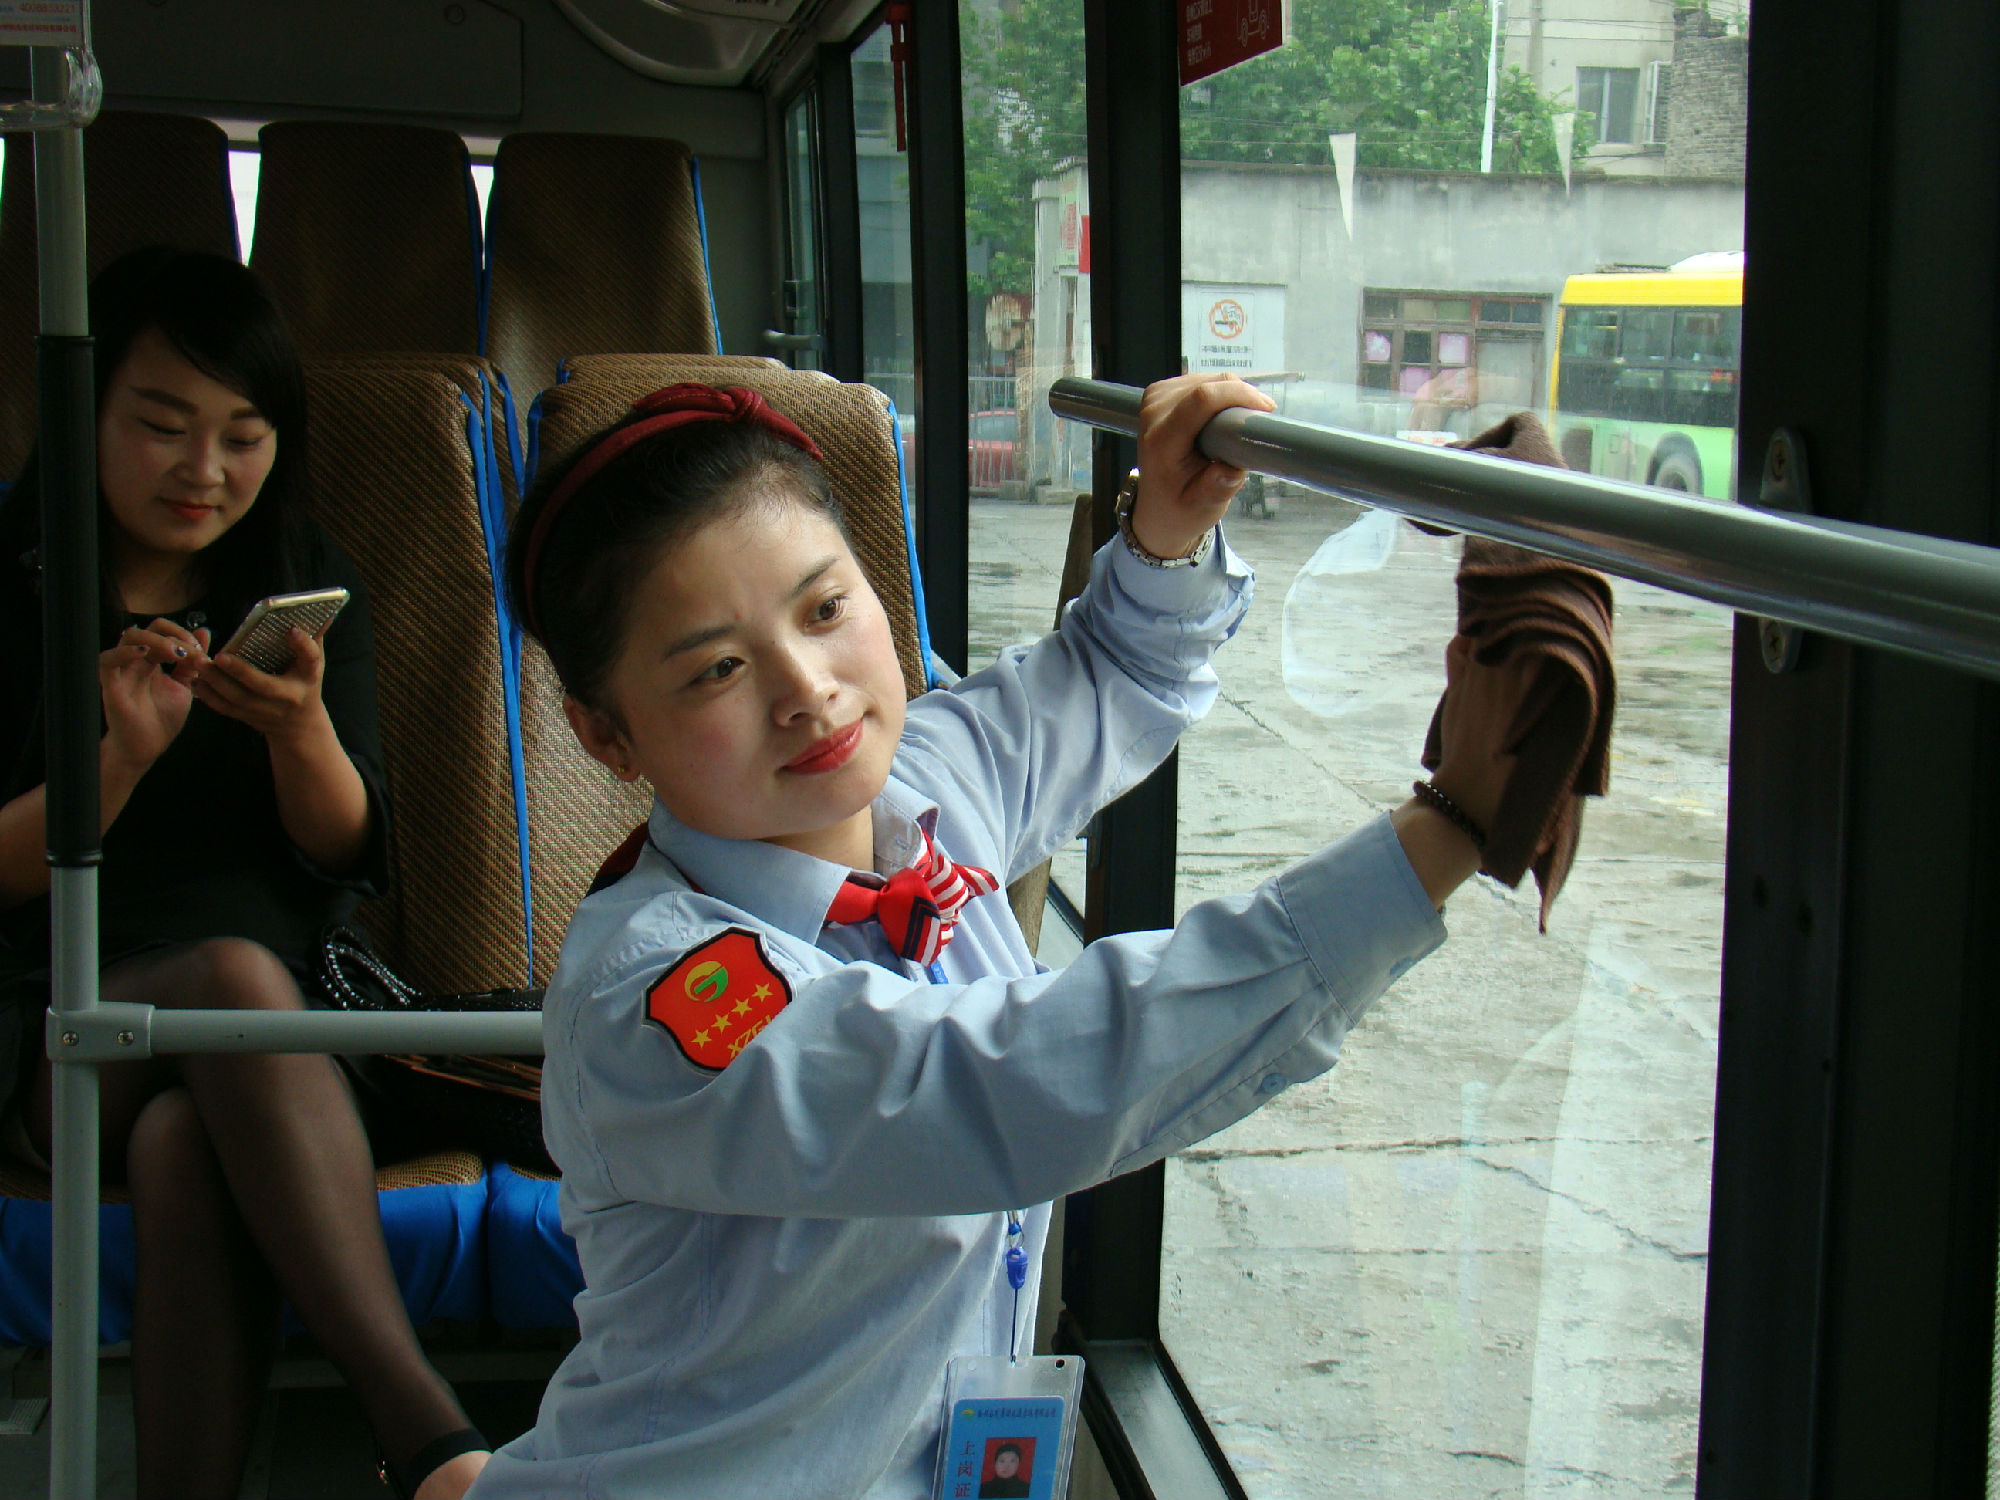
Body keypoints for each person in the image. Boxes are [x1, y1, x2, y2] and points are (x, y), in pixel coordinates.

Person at [469, 374, 1532, 1498]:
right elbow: (1007, 1087)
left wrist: (1167, 528)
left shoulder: (926, 780)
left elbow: (1109, 673)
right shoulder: (657, 996)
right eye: (718, 670)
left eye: (824, 610)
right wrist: (1437, 837)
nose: (808, 692)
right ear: (606, 736)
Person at [0, 247, 488, 1500]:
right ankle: (428, 1438)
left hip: (282, 1034)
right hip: (56, 1031)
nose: (204, 470)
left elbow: (350, 854)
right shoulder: (13, 583)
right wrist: (117, 764)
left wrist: (297, 731)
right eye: (162, 426)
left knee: (186, 1138)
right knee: (223, 982)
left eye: (243, 435)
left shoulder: (301, 582)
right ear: (85, 413)